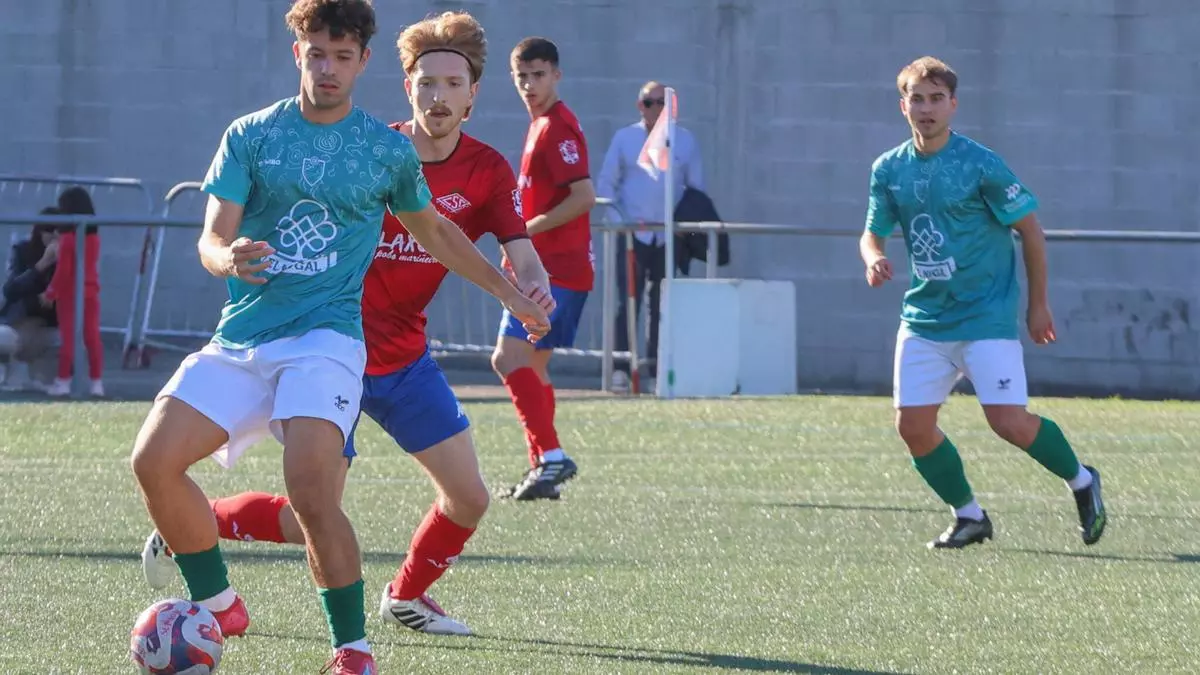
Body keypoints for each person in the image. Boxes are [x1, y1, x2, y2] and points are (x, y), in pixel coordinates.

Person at [127, 2, 549, 673]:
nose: (328, 67)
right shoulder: (251, 134)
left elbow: (439, 234)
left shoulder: (386, 152)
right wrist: (226, 256)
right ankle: (220, 600)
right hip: (245, 336)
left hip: (332, 342)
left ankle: (356, 648)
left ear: (362, 63)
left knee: (316, 494)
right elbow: (210, 237)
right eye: (317, 53)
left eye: (342, 56)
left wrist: (513, 292)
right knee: (152, 460)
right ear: (298, 53)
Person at [859, 56, 1107, 550]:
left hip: (985, 316)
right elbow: (872, 233)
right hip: (924, 320)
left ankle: (1082, 480)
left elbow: (1031, 231)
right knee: (913, 427)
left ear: (953, 104)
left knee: (1008, 422)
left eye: (936, 98)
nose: (926, 108)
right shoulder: (888, 169)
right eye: (916, 99)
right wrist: (874, 258)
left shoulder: (980, 164)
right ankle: (969, 516)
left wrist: (1038, 305)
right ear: (903, 106)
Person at [492, 36, 596, 501]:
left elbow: (583, 196)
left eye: (539, 75)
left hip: (556, 272)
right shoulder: (541, 125)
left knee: (507, 358)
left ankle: (551, 456)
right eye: (522, 77)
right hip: (552, 270)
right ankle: (543, 465)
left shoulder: (556, 127)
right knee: (532, 366)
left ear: (557, 75)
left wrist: (524, 233)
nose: (530, 85)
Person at [596, 81, 705, 392]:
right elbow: (606, 185)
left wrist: (683, 228)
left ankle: (658, 369)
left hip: (668, 238)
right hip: (632, 236)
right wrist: (621, 224)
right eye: (649, 102)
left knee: (662, 305)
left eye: (661, 103)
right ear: (639, 106)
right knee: (626, 304)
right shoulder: (624, 138)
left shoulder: (684, 141)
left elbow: (696, 189)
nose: (655, 108)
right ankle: (621, 369)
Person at [45, 187, 104, 397]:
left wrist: (50, 292)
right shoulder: (94, 238)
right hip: (90, 292)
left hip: (69, 295)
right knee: (92, 338)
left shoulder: (68, 239)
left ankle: (63, 381)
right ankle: (96, 383)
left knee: (69, 339)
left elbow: (64, 271)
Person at [0, 210, 60, 391]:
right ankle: (10, 370)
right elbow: (11, 290)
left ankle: (41, 376)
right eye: (48, 229)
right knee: (4, 337)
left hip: (47, 322)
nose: (53, 235)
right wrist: (42, 264)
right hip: (18, 320)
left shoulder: (70, 255)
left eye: (59, 230)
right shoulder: (23, 250)